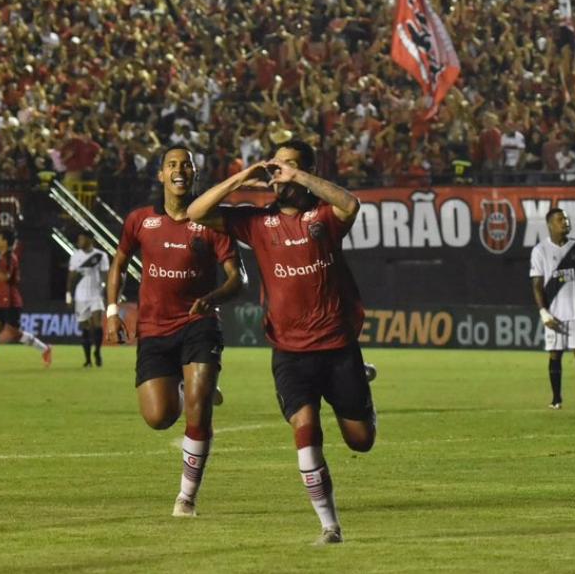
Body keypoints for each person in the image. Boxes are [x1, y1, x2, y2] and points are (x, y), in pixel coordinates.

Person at [187, 139, 376, 545]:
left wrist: (300, 176)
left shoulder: (323, 216)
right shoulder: (256, 222)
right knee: (305, 430)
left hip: (338, 347)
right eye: (277, 166)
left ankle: (361, 379)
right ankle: (330, 525)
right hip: (290, 353)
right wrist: (242, 177)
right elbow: (195, 212)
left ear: (306, 171)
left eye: (290, 166)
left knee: (361, 441)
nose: (281, 173)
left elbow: (350, 204)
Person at [105, 145, 242, 518]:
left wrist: (214, 297)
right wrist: (112, 311)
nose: (179, 170)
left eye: (187, 165)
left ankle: (186, 498)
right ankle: (192, 387)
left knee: (198, 414)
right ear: (161, 175)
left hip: (199, 324)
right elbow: (118, 263)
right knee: (159, 417)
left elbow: (238, 278)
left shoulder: (211, 222)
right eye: (172, 164)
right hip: (154, 329)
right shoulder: (139, 221)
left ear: (194, 175)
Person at [530, 208, 575, 411]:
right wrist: (543, 312)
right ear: (550, 224)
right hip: (555, 313)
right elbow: (537, 285)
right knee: (555, 354)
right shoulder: (540, 251)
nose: (565, 222)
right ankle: (556, 399)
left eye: (566, 219)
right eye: (560, 219)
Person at [0, 228, 52, 373]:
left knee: (15, 334)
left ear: (5, 242)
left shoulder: (10, 258)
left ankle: (45, 349)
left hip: (11, 303)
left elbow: (5, 277)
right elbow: (4, 281)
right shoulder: (1, 257)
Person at [67, 229, 109, 367]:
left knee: (97, 324)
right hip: (80, 294)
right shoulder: (75, 256)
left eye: (82, 239)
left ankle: (97, 351)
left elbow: (105, 275)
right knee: (84, 326)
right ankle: (88, 359)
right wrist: (69, 294)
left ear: (90, 240)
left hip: (96, 293)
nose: (79, 241)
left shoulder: (101, 256)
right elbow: (72, 276)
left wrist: (106, 293)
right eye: (79, 239)